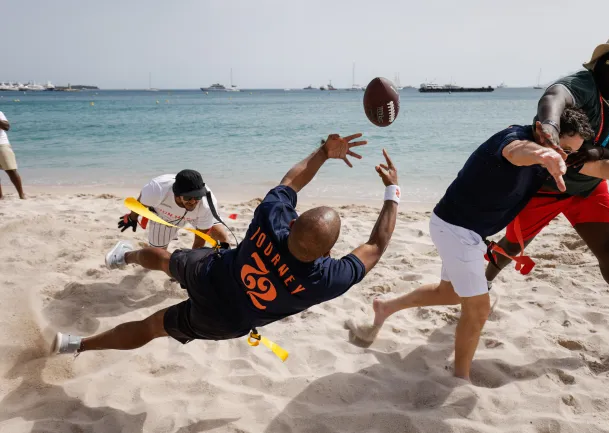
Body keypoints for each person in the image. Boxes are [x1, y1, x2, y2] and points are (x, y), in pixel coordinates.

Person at [350, 107, 609, 381]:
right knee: (478, 309)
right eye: (560, 146)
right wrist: (545, 156)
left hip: (463, 230)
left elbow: (603, 169)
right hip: (457, 229)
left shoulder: (558, 153)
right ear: (541, 128)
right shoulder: (513, 140)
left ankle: (385, 308)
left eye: (570, 151)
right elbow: (518, 152)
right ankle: (460, 378)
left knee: (451, 292)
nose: (564, 155)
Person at [53, 133, 400, 356]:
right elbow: (376, 244)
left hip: (211, 273)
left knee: (164, 258)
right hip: (223, 319)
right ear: (327, 253)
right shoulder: (326, 279)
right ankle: (75, 345)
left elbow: (291, 181)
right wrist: (392, 191)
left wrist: (324, 152)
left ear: (292, 223)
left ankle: (123, 256)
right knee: (152, 328)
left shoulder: (271, 219)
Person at [485, 33, 609, 340]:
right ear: (600, 63)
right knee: (513, 244)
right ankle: (483, 284)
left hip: (589, 188)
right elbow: (554, 98)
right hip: (547, 183)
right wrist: (548, 127)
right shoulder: (582, 86)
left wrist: (598, 151)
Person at [117, 169, 230, 250]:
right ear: (176, 195)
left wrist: (190, 267)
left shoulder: (206, 204)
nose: (193, 201)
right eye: (188, 197)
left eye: (197, 196)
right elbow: (141, 204)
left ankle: (225, 261)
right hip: (164, 216)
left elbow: (200, 240)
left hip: (196, 215)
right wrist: (132, 218)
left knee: (220, 236)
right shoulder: (157, 190)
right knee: (158, 253)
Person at [0, 111, 26, 199]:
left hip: (1, 144)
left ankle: (21, 195)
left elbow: (6, 127)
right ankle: (0, 196)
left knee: (11, 170)